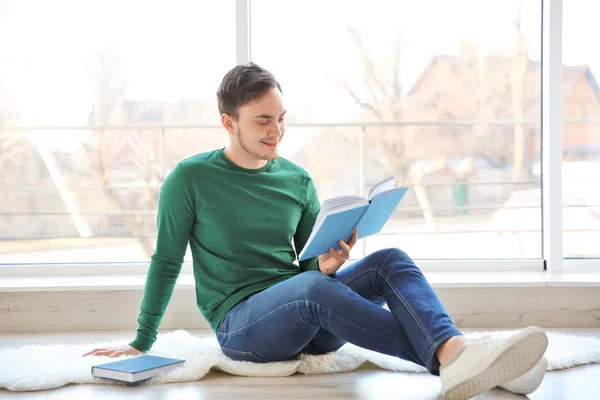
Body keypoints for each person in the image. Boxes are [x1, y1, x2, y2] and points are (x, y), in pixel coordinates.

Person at [84, 63, 548, 400]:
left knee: (390, 260)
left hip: (308, 310)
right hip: (243, 328)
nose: (277, 131)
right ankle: (459, 357)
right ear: (229, 122)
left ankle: (462, 356)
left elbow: (308, 266)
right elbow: (166, 261)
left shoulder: (296, 179)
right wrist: (142, 339)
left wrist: (326, 264)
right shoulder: (190, 179)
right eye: (263, 120)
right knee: (310, 290)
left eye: (282, 117)